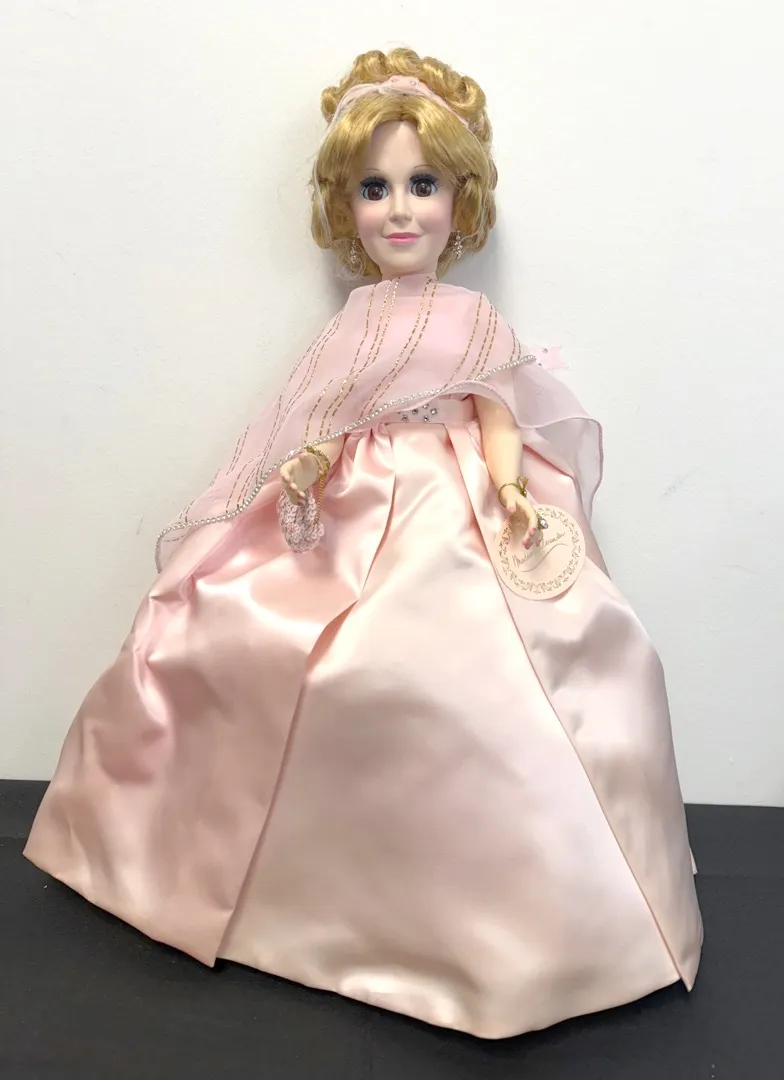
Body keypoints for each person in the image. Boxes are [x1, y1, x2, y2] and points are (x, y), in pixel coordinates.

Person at [25, 47, 703, 1039]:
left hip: (454, 507)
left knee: (486, 679)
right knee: (256, 641)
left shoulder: (472, 317)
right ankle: (276, 881)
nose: (399, 211)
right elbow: (316, 417)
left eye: (422, 185)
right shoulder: (355, 320)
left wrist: (512, 484)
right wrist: (304, 467)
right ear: (346, 207)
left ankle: (521, 915)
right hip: (354, 504)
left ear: (460, 199)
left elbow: (499, 412)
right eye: (374, 189)